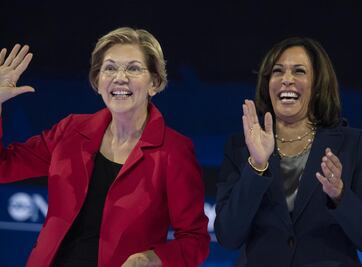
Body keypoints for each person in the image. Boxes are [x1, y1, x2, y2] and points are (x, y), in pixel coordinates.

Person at [0, 27, 210, 267]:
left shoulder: (174, 151)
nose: (120, 77)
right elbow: (3, 166)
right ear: (97, 82)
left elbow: (195, 240)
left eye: (133, 68)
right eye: (109, 68)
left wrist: (151, 259)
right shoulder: (70, 131)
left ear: (154, 83)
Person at [214, 37, 362, 267]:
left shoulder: (353, 144)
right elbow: (228, 236)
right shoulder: (240, 147)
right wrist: (257, 166)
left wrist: (340, 195)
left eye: (299, 71)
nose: (286, 80)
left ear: (317, 85)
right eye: (277, 71)